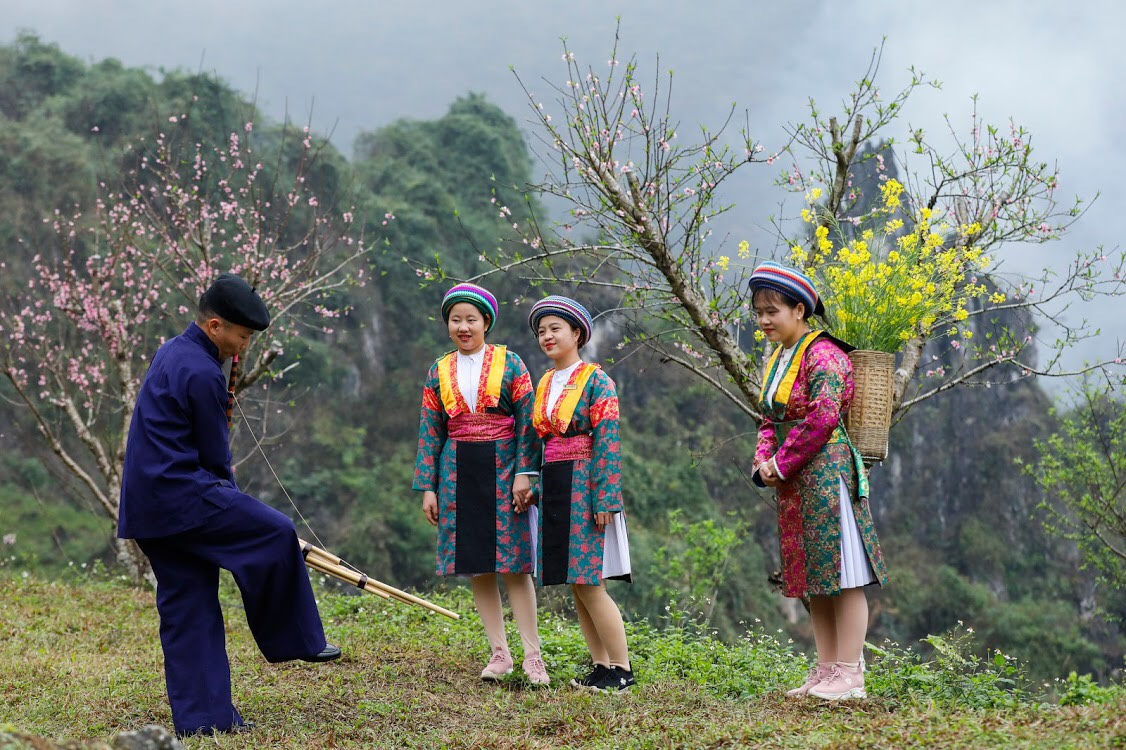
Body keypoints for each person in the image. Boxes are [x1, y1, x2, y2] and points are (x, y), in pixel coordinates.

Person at [118, 273, 340, 738]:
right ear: (215, 326)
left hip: (147, 507)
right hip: (181, 496)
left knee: (189, 607)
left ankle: (205, 720)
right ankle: (297, 640)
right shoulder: (201, 373)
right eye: (241, 336)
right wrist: (233, 505)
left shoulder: (171, 352)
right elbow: (216, 458)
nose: (244, 346)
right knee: (275, 532)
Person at [748, 261, 889, 701]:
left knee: (843, 573)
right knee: (816, 575)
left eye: (773, 310)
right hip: (795, 477)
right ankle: (827, 669)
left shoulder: (826, 355)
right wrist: (763, 463)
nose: (765, 320)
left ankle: (850, 673)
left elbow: (824, 416)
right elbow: (769, 417)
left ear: (800, 310)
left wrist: (781, 463)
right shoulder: (779, 359)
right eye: (759, 312)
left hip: (828, 473)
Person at [413, 283, 549, 685]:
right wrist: (429, 486)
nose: (464, 327)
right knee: (478, 565)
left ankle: (532, 656)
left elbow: (528, 421)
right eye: (456, 320)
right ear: (448, 325)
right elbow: (430, 431)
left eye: (471, 319)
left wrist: (526, 472)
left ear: (486, 322)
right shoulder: (438, 370)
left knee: (515, 564)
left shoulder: (512, 364)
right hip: (457, 470)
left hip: (505, 467)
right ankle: (499, 653)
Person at [525, 295, 635, 692]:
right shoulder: (543, 383)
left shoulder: (597, 380)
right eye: (541, 331)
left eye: (555, 328)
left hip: (585, 482)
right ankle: (601, 666)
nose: (547, 336)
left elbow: (607, 440)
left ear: (577, 333)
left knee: (590, 581)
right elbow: (540, 442)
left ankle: (622, 669)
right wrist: (535, 484)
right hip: (554, 482)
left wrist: (605, 497)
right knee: (576, 580)